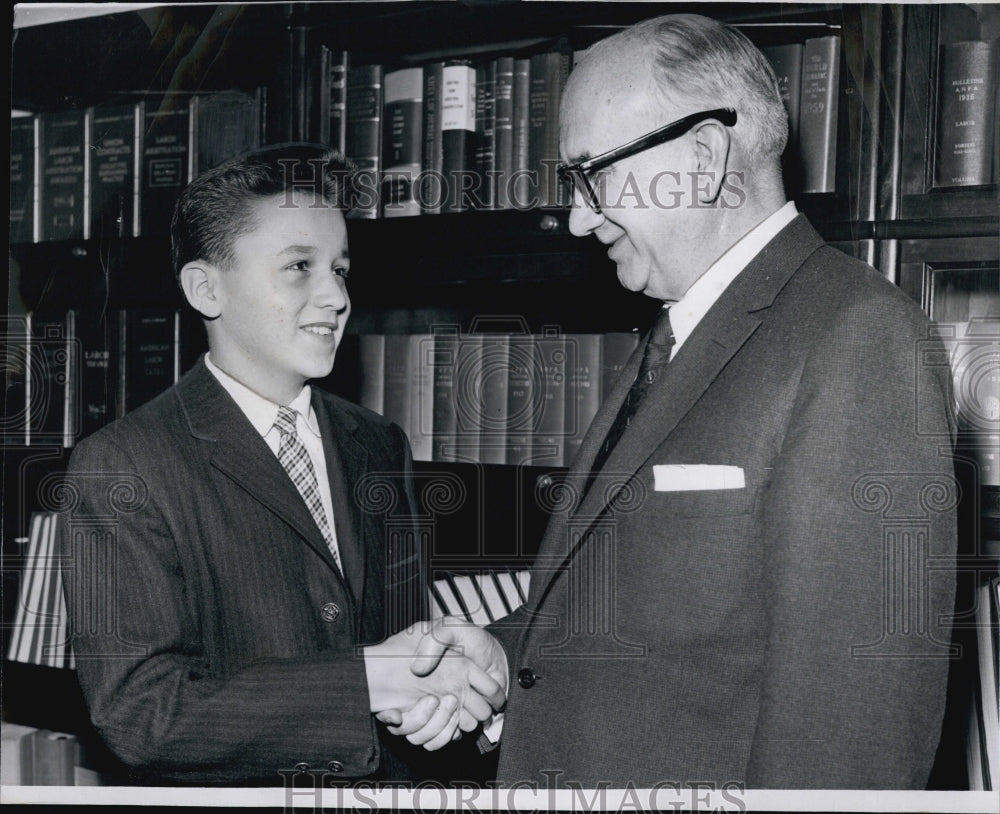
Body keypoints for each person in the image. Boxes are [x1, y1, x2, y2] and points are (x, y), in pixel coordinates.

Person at [392, 13, 959, 790]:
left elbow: (852, 728)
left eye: (593, 175)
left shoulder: (858, 340)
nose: (580, 218)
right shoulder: (678, 333)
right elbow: (670, 620)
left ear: (703, 154)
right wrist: (505, 650)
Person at [57, 145, 505, 785]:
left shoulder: (379, 444)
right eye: (299, 267)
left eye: (341, 270)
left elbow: (409, 646)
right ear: (205, 288)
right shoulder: (123, 464)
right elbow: (140, 712)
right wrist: (366, 683)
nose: (335, 296)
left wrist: (445, 692)